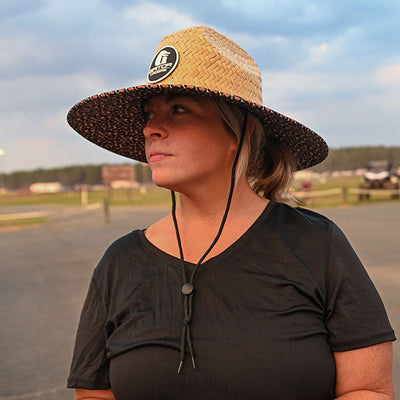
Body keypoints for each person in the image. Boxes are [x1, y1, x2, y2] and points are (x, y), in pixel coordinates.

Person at [66, 26, 396, 400]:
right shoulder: (119, 263)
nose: (152, 128)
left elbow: (368, 389)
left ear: (240, 131)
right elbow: (94, 394)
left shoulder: (314, 244)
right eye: (148, 113)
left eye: (178, 109)